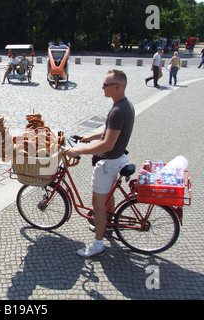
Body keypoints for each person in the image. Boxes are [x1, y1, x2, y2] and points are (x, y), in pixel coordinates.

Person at [65, 70, 135, 258]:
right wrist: (88, 137)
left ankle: (98, 245)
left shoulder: (118, 111)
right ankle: (108, 225)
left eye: (106, 84)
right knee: (107, 197)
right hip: (118, 159)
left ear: (117, 87)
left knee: (97, 204)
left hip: (108, 163)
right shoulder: (125, 105)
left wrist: (78, 150)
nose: (102, 87)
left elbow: (108, 143)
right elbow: (109, 131)